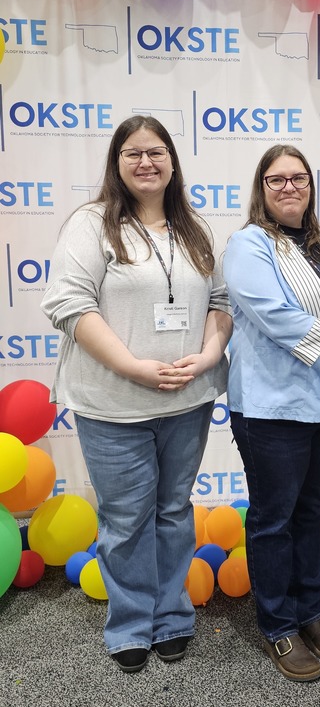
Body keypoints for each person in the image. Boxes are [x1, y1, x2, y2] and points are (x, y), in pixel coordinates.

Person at [41, 115, 232, 673]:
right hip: (112, 404)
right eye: (133, 153)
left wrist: (211, 354)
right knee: (126, 519)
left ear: (173, 161)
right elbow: (69, 305)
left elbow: (220, 300)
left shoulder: (195, 226)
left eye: (156, 152)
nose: (146, 162)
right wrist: (134, 367)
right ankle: (128, 624)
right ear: (117, 163)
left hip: (186, 401)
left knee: (173, 512)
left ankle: (171, 616)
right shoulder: (92, 223)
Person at [223, 144, 320, 682]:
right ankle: (278, 625)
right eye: (276, 179)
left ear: (312, 185)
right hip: (272, 408)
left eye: (298, 178)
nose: (289, 187)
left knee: (311, 510)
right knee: (273, 518)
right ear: (261, 189)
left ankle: (309, 611)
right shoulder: (248, 245)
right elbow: (275, 316)